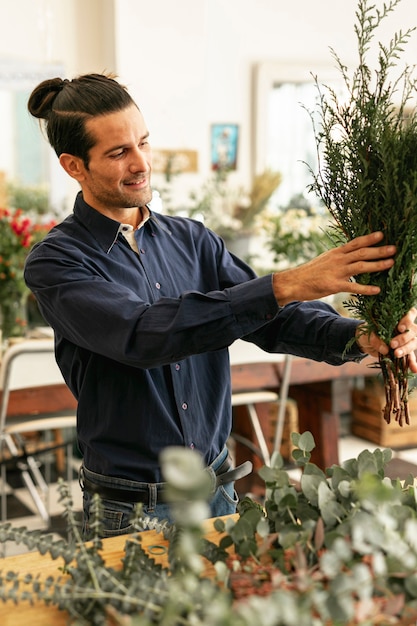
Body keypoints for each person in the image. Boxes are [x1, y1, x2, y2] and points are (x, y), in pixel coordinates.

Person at [24, 73, 417, 538]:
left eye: (143, 143)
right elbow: (143, 334)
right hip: (129, 512)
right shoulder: (57, 261)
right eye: (118, 153)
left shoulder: (192, 239)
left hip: (218, 491)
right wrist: (285, 283)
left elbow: (271, 323)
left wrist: (357, 337)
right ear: (74, 166)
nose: (141, 163)